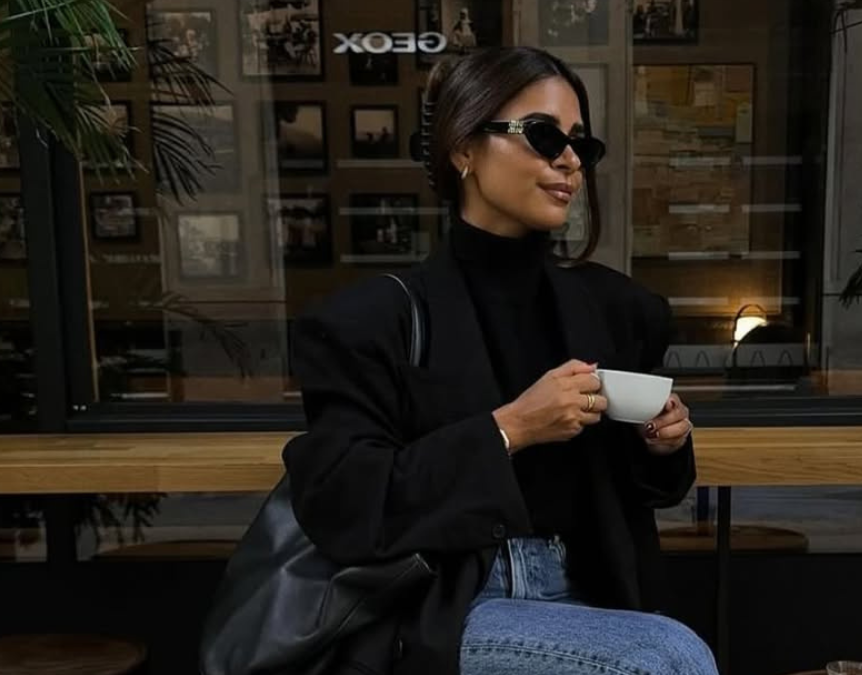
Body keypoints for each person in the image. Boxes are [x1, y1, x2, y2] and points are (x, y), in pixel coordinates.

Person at [284, 46, 717, 675]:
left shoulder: (618, 309)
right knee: (666, 657)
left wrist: (663, 442)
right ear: (463, 147)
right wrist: (510, 428)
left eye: (579, 143)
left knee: (667, 652)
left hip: (593, 587)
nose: (569, 160)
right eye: (543, 135)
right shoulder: (372, 322)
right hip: (447, 604)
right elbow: (344, 505)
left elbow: (642, 491)